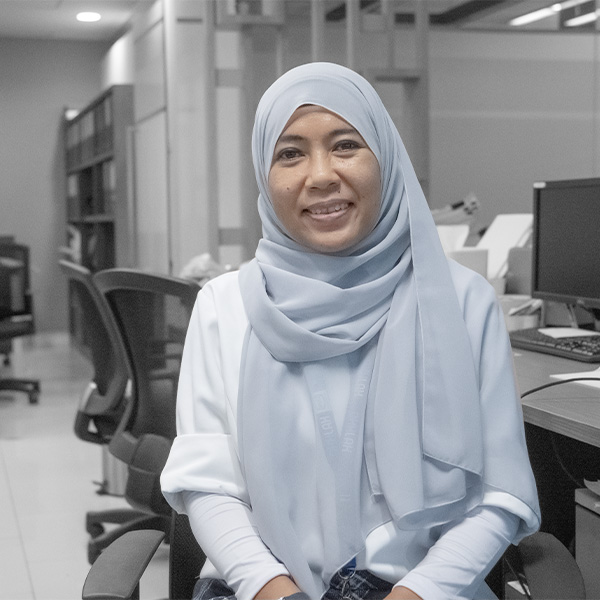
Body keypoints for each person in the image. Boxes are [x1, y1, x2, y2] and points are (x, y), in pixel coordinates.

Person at [161, 62, 540, 600]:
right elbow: (209, 485)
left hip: (421, 587)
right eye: (290, 153)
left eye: (345, 145)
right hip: (261, 585)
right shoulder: (224, 307)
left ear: (384, 156)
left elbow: (498, 496)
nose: (320, 175)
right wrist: (274, 590)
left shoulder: (462, 302)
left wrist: (416, 592)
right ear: (264, 175)